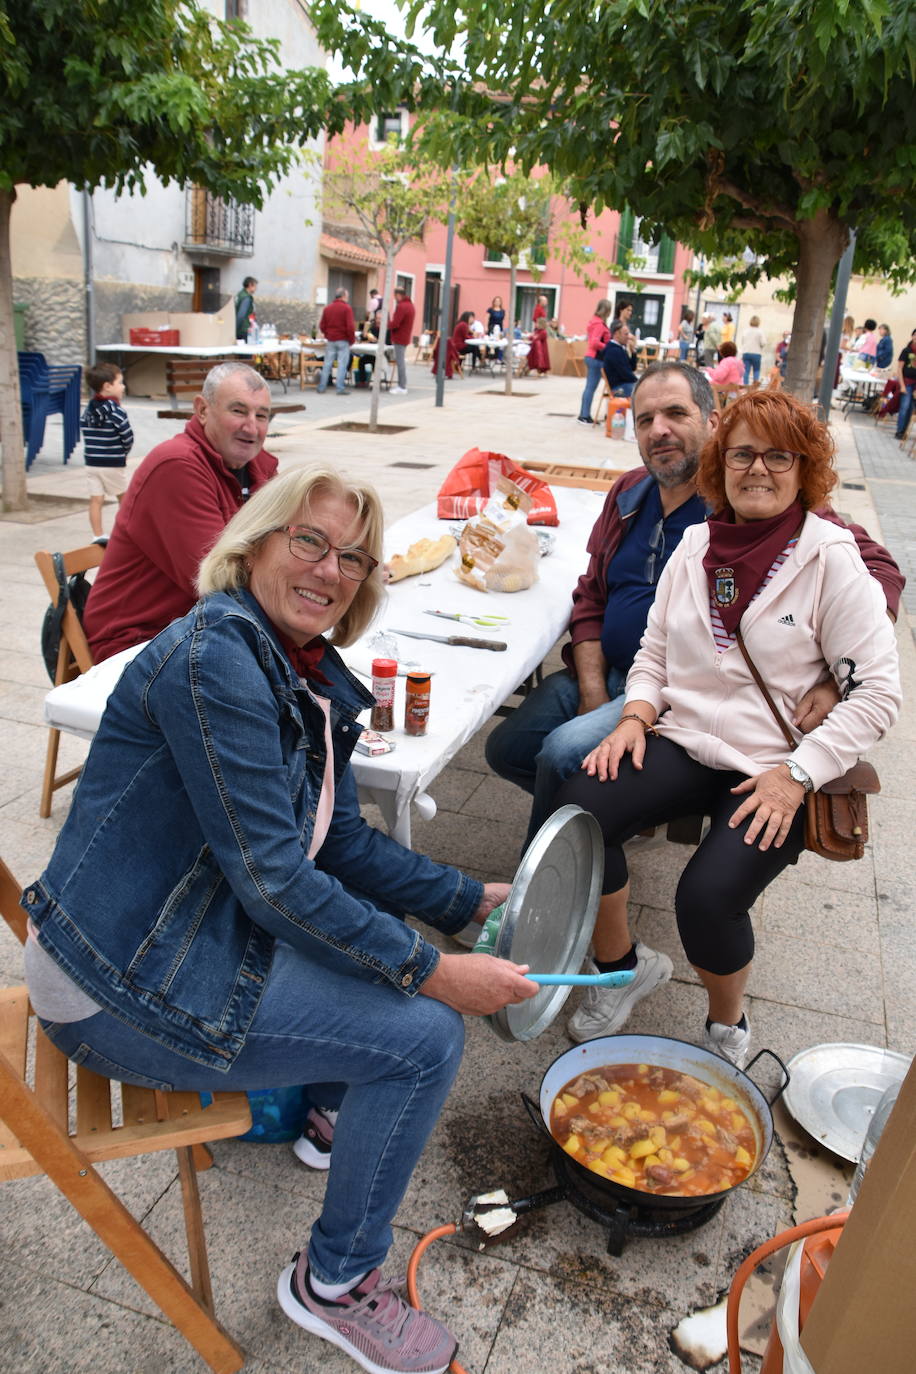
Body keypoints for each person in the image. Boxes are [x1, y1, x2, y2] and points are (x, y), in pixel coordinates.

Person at [22, 465, 538, 1374]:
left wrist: (464, 899)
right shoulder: (218, 657)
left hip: (172, 932)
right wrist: (436, 972)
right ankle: (333, 1285)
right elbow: (272, 884)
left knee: (381, 955)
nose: (330, 570)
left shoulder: (300, 668)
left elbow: (333, 845)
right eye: (308, 541)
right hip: (114, 982)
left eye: (352, 557)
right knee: (425, 1035)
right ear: (253, 543)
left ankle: (337, 1114)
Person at [557, 390, 900, 1065]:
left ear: (806, 469)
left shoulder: (830, 557)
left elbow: (879, 694)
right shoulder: (694, 545)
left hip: (775, 763)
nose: (759, 469)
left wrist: (797, 774)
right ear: (722, 463)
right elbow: (654, 652)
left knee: (707, 898)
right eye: (743, 453)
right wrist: (635, 714)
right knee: (579, 813)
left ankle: (726, 1026)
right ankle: (621, 968)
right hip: (687, 740)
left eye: (779, 455)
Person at [484, 363, 904, 852]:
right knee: (505, 748)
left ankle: (544, 890)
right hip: (613, 670)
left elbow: (880, 571)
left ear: (712, 422)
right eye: (644, 420)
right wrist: (594, 690)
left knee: (563, 753)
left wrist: (836, 680)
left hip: (681, 688)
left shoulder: (747, 495)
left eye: (675, 413)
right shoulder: (628, 493)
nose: (659, 429)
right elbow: (592, 594)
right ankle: (611, 830)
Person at [83, 362, 276, 663]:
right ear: (202, 410)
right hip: (139, 640)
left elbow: (291, 540)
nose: (251, 427)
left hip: (203, 627)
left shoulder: (258, 467)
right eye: (238, 411)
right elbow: (219, 580)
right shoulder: (176, 467)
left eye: (261, 415)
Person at [80, 362, 134, 542]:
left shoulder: (88, 409)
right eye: (120, 382)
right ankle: (127, 532)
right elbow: (127, 435)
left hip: (92, 463)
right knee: (124, 498)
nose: (123, 386)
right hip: (112, 462)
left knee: (96, 499)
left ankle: (97, 535)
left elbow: (84, 428)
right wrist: (123, 451)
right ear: (107, 386)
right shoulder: (116, 411)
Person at [578, 299, 613, 424]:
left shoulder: (594, 322)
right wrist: (607, 347)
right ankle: (584, 415)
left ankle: (583, 414)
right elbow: (594, 342)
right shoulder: (599, 325)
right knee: (591, 388)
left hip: (591, 357)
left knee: (589, 388)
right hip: (596, 358)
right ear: (606, 310)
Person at [317, 288, 356, 396]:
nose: (348, 298)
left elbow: (322, 325)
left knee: (327, 364)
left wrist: (327, 334)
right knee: (342, 364)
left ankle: (322, 386)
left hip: (331, 340)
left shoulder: (327, 308)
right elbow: (350, 326)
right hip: (343, 339)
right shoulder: (346, 308)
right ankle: (340, 388)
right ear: (343, 296)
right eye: (347, 296)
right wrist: (351, 340)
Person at [388, 286, 416, 394]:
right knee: (401, 362)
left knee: (400, 362)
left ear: (398, 295)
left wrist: (387, 324)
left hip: (399, 336)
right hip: (405, 336)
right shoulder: (410, 306)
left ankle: (402, 386)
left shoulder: (402, 306)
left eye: (395, 296)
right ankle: (402, 384)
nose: (394, 298)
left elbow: (395, 323)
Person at [600, 320, 638, 396]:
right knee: (645, 392)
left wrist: (633, 350)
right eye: (626, 334)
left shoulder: (619, 348)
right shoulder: (613, 351)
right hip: (618, 389)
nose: (629, 337)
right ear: (617, 334)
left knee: (646, 391)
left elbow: (632, 368)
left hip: (624, 385)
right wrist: (640, 382)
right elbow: (626, 374)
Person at [894, 326, 916, 441]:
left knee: (911, 408)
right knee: (904, 407)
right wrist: (902, 385)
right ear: (912, 336)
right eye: (915, 335)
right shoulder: (906, 351)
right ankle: (899, 431)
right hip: (906, 382)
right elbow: (899, 369)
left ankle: (905, 431)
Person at [740, 315, 767, 385]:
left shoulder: (745, 331)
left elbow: (742, 342)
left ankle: (745, 386)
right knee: (756, 370)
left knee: (746, 371)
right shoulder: (760, 332)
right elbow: (763, 343)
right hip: (756, 353)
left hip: (746, 353)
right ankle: (754, 387)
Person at [234, 276, 257, 341]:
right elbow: (241, 315)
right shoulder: (246, 298)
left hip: (240, 329)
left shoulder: (240, 294)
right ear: (250, 285)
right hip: (244, 329)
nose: (256, 289)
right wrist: (236, 329)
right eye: (255, 286)